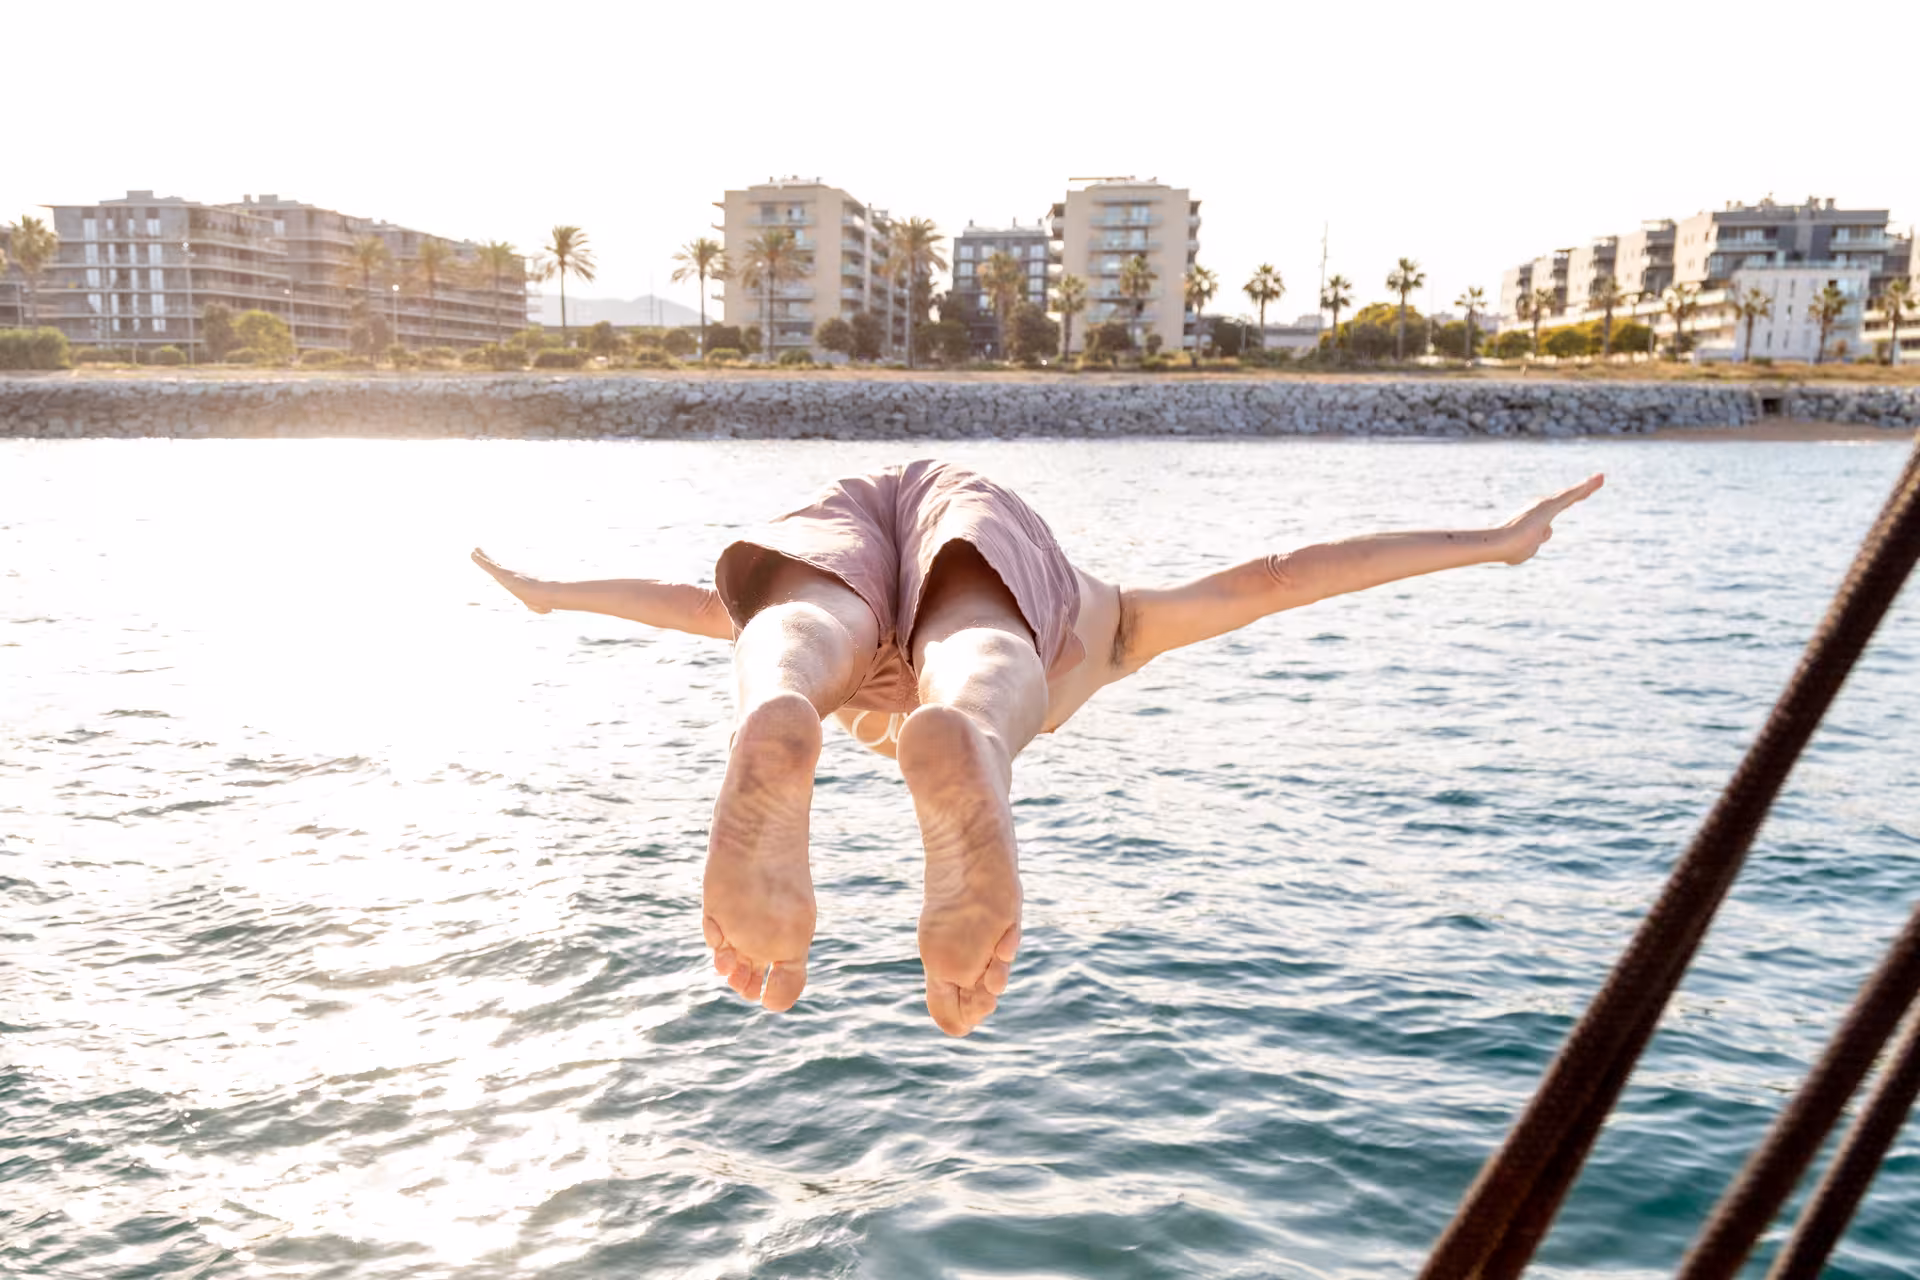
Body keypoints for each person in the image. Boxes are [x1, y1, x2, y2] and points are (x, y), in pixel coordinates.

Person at [473, 460, 1603, 1037]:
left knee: (795, 635)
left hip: (840, 525)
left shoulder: (1068, 649)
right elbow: (1281, 577)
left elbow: (680, 599)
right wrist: (1487, 545)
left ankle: (781, 702)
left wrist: (552, 595)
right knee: (984, 658)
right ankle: (966, 733)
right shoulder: (1108, 639)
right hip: (982, 525)